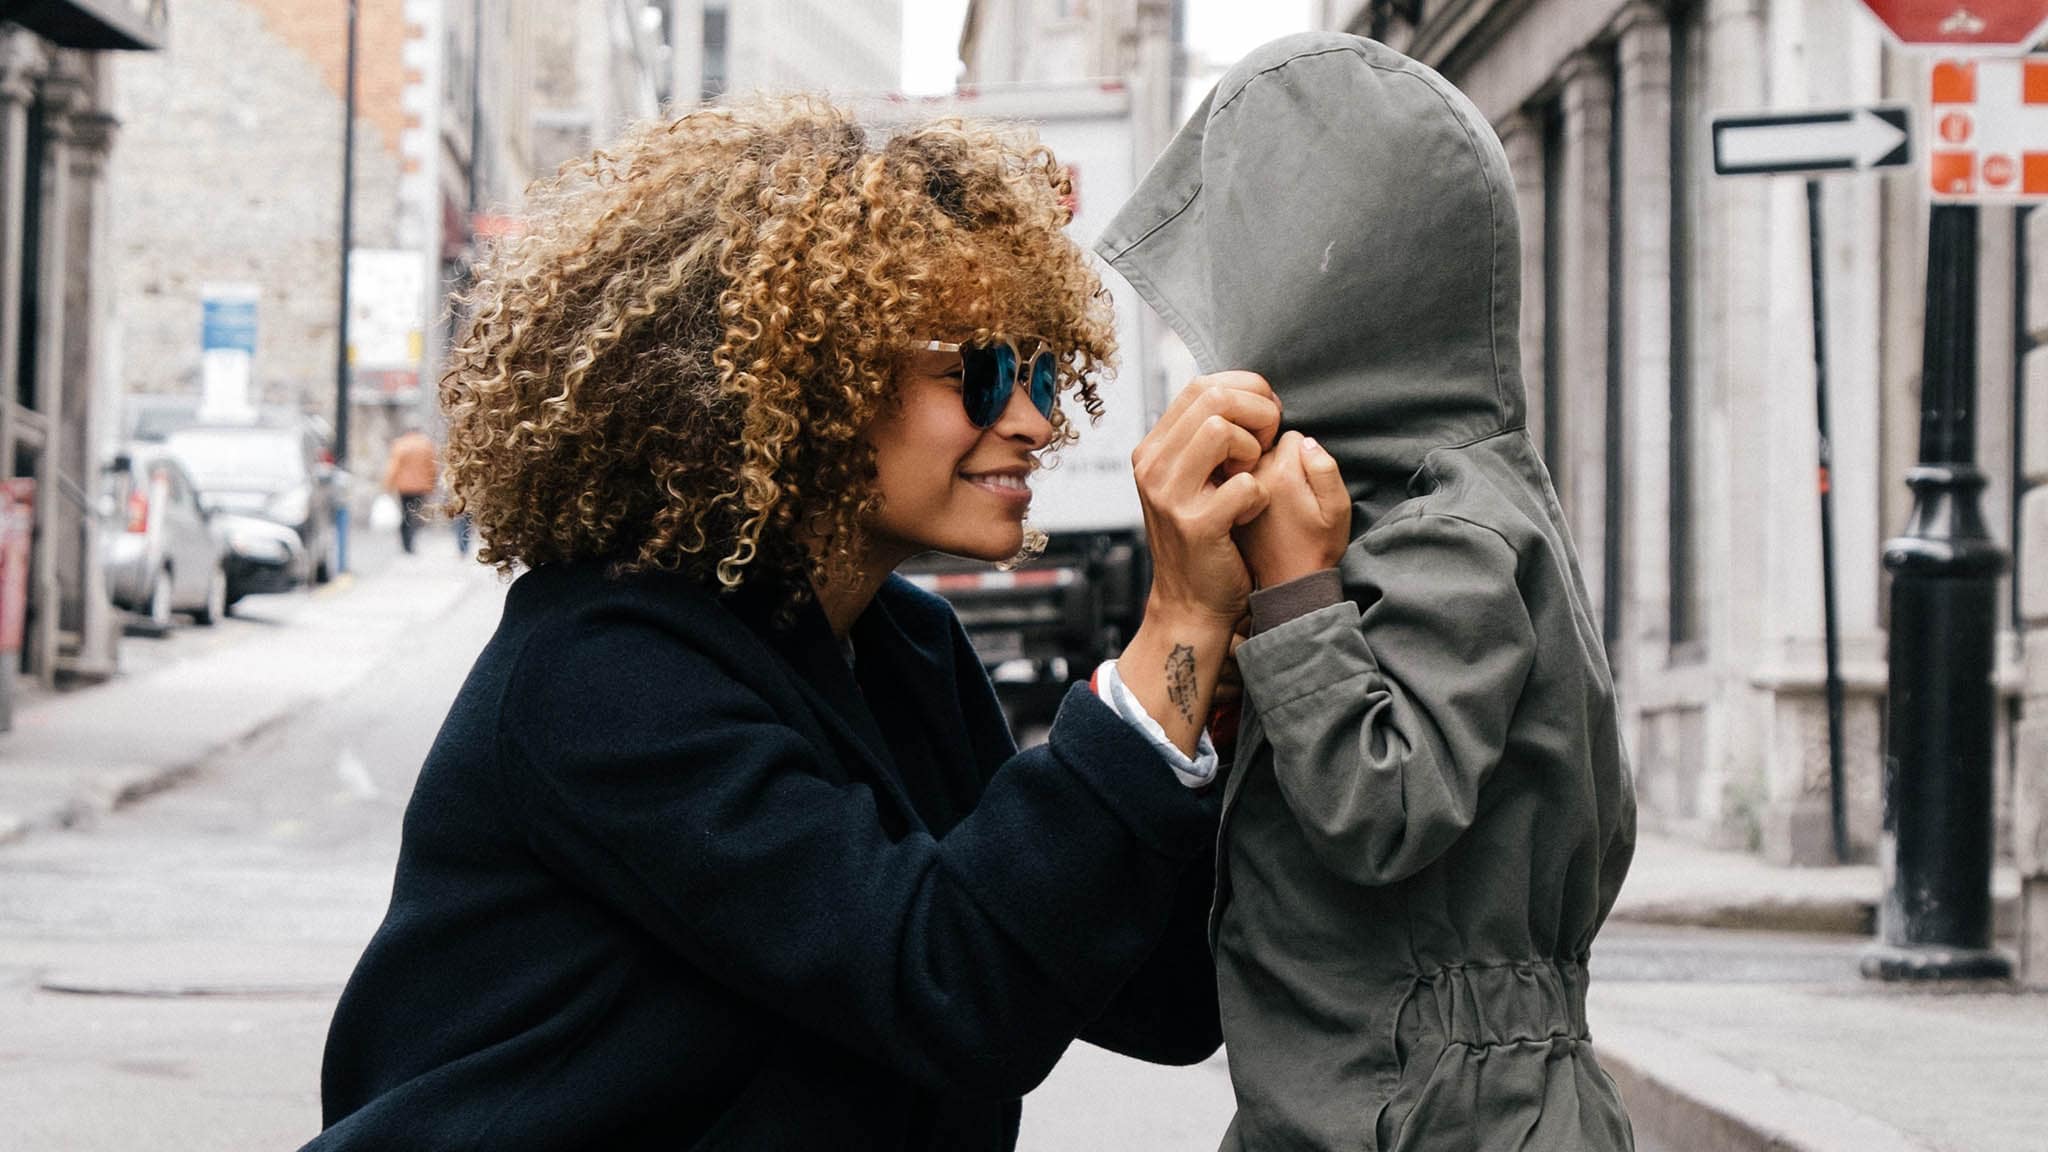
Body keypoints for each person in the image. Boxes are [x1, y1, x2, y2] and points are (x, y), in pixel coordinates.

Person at [305, 97, 1280, 1151]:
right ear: (805, 379)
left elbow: (1155, 1000)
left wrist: (1206, 710)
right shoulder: (602, 677)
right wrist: (1168, 635)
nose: (1035, 420)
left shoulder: (903, 648)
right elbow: (952, 987)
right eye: (980, 374)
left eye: (1040, 371)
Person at [1098, 33, 1638, 1152]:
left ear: (1321, 287)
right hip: (1370, 1093)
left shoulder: (1452, 525)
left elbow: (1382, 807)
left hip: (1444, 1111)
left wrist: (1296, 596)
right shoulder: (1392, 501)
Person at [381, 425, 439, 553]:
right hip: (421, 486)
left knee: (405, 513)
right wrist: (432, 485)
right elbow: (432, 467)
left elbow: (394, 466)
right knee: (415, 514)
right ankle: (412, 541)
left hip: (404, 486)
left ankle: (406, 543)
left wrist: (388, 485)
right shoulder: (426, 445)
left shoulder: (401, 444)